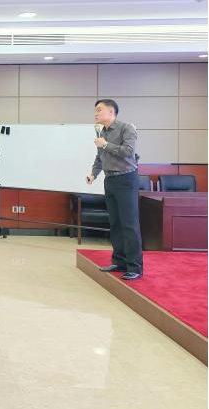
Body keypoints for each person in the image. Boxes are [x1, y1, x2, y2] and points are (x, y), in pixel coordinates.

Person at [87, 99, 143, 280]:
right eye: (95, 110)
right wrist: (94, 174)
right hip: (110, 180)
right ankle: (120, 262)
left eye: (99, 110)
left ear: (111, 112)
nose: (95, 113)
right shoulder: (102, 132)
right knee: (116, 223)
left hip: (126, 179)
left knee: (129, 224)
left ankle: (135, 267)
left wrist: (105, 144)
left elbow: (128, 151)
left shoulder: (127, 128)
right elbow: (100, 158)